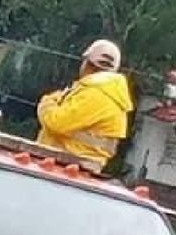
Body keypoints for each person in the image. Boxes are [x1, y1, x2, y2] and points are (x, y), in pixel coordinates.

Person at [36, 39, 134, 168]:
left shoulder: (97, 93)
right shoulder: (108, 93)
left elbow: (56, 122)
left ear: (88, 63)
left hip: (65, 164)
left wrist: (46, 102)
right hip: (78, 167)